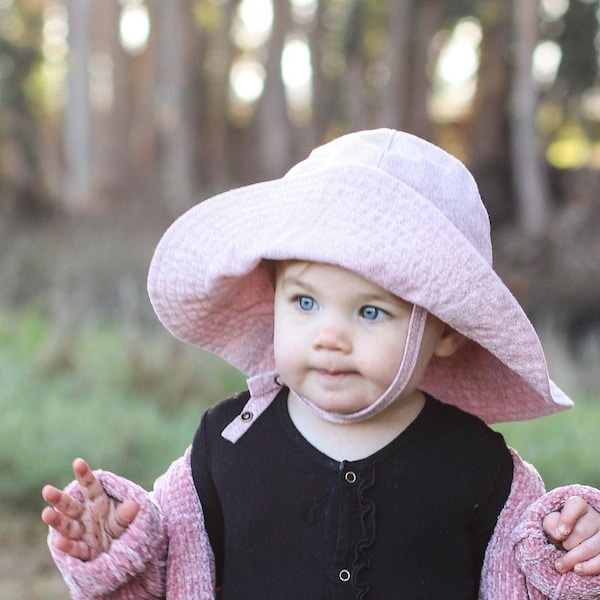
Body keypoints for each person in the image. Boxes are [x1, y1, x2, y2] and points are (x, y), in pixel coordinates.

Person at [42, 129, 600, 599]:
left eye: (372, 311)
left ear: (447, 330)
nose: (330, 336)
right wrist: (115, 548)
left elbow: (532, 581)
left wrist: (570, 549)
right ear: (273, 295)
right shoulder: (226, 445)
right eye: (305, 302)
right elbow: (162, 574)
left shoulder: (483, 469)